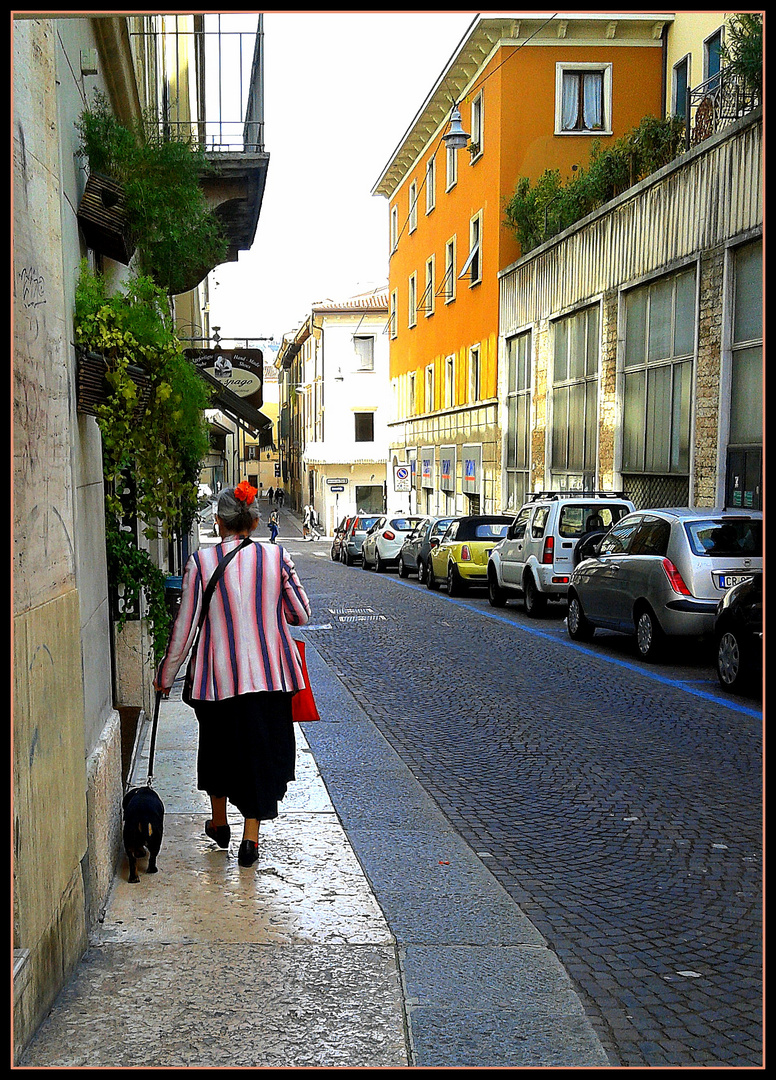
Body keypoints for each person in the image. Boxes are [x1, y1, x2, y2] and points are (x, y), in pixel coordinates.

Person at [154, 480, 312, 868]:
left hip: (216, 678)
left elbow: (185, 625)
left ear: (220, 523)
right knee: (260, 753)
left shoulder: (201, 563)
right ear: (255, 522)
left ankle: (220, 822)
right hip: (269, 678)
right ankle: (250, 839)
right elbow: (301, 614)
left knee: (217, 748)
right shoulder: (276, 558)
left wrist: (166, 674)